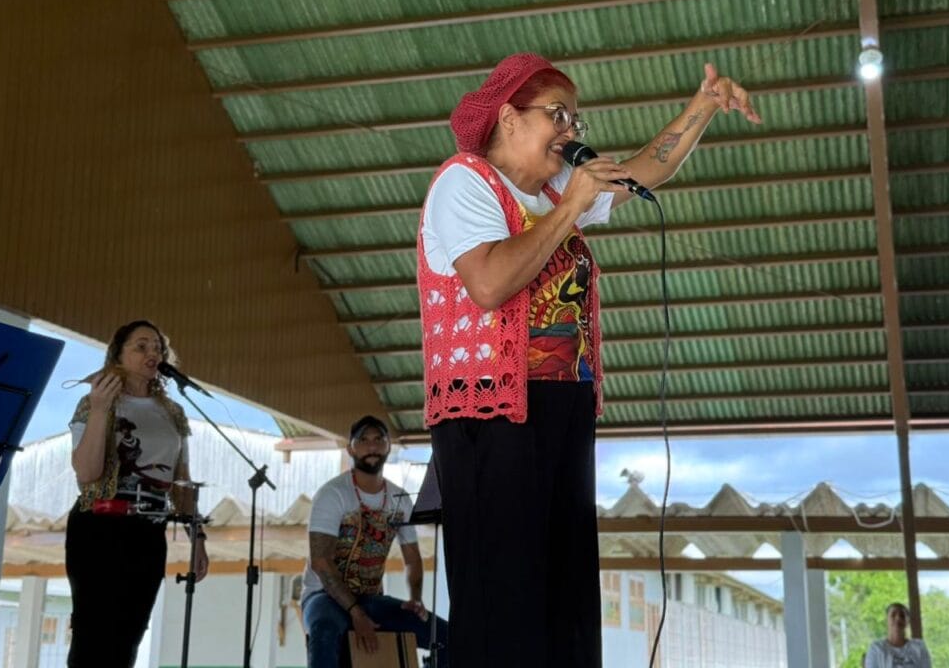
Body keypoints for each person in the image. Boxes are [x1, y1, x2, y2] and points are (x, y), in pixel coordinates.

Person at [417, 52, 761, 668]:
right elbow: (490, 282)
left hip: (561, 409)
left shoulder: (552, 191)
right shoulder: (465, 181)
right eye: (559, 115)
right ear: (510, 119)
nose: (573, 130)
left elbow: (640, 172)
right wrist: (570, 207)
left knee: (566, 602)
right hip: (491, 414)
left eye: (576, 117)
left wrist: (702, 107)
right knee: (507, 605)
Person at [65, 319, 208, 668]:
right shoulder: (95, 401)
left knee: (131, 633)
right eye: (141, 346)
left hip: (149, 530)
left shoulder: (173, 412)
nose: (152, 353)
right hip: (99, 527)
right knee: (94, 635)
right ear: (119, 354)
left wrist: (197, 536)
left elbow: (182, 480)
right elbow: (87, 473)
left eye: (157, 347)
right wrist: (101, 410)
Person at [301, 415, 448, 668]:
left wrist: (415, 599)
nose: (372, 446)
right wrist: (355, 613)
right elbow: (322, 563)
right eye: (364, 440)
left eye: (379, 439)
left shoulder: (399, 498)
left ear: (388, 446)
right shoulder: (333, 494)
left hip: (370, 599)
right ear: (350, 448)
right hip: (322, 596)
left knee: (445, 637)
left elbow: (412, 558)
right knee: (324, 630)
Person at [865, 602, 932, 668]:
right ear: (886, 620)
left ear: (907, 621)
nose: (898, 618)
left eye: (902, 616)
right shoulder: (877, 648)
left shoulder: (919, 647)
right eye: (893, 615)